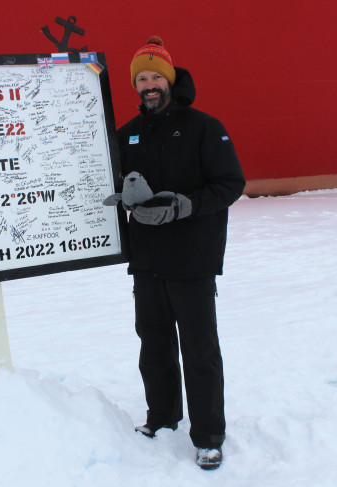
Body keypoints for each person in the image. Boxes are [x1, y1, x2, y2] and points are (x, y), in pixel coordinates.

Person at [114, 36, 245, 470]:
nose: (149, 85)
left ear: (169, 80)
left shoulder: (205, 127)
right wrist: (123, 198)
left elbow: (231, 184)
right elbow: (112, 182)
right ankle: (162, 418)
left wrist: (188, 204)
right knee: (153, 345)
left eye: (155, 76)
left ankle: (209, 435)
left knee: (199, 349)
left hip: (193, 259)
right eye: (142, 78)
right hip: (147, 260)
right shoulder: (127, 135)